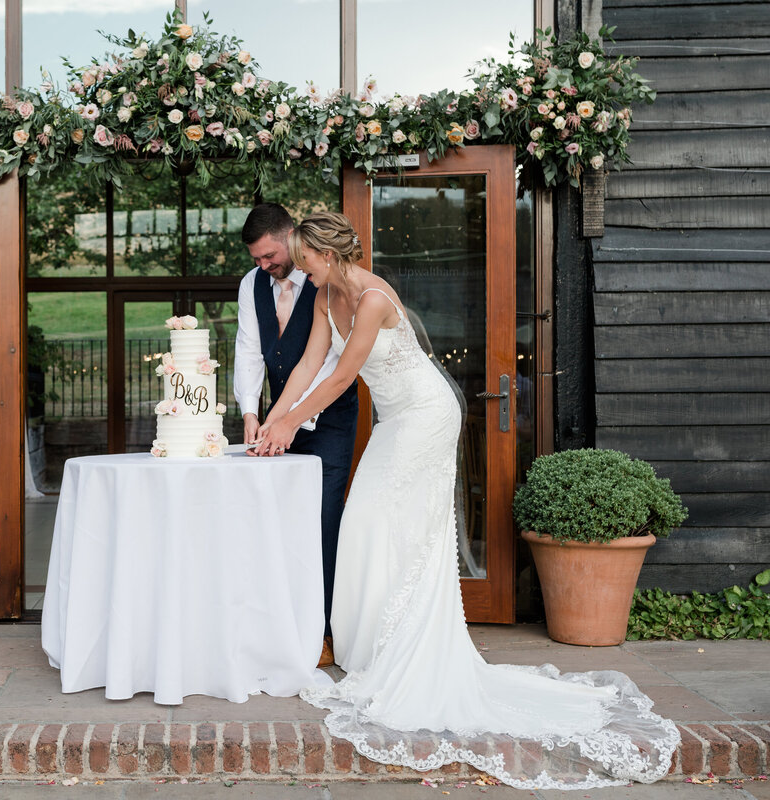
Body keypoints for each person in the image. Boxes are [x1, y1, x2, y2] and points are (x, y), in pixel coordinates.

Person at [252, 211, 678, 789]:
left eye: (304, 260)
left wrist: (289, 427)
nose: (299, 270)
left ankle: (408, 649)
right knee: (364, 522)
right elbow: (306, 366)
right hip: (396, 420)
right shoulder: (328, 297)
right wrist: (271, 421)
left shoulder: (374, 299)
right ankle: (370, 646)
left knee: (401, 525)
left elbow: (341, 380)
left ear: (328, 256)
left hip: (426, 416)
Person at [234, 203, 358, 668]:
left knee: (323, 522)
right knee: (275, 521)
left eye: (269, 255)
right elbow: (248, 348)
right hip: (276, 420)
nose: (263, 266)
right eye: (257, 259)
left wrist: (289, 422)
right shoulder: (251, 285)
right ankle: (278, 624)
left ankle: (324, 632)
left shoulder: (324, 279)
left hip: (327, 419)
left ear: (290, 235)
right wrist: (252, 411)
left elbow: (323, 365)